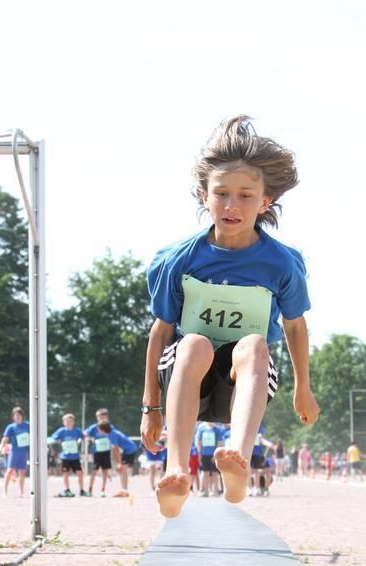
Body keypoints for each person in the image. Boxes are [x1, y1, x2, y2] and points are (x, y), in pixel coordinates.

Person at [137, 116, 319, 518]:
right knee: (193, 343)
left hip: (243, 384)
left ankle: (238, 454)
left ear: (264, 201)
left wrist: (302, 387)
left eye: (244, 196)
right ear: (205, 196)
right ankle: (178, 473)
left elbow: (294, 325)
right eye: (221, 194)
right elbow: (160, 331)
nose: (232, 206)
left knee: (254, 344)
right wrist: (150, 408)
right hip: (188, 378)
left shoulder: (282, 263)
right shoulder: (177, 260)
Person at [51, 413, 86, 497]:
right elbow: (53, 438)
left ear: (73, 422)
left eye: (70, 421)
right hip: (65, 456)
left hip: (75, 456)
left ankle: (81, 490)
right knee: (66, 473)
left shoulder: (77, 430)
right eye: (67, 421)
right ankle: (67, 490)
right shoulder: (61, 431)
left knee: (80, 473)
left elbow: (82, 436)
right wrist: (60, 442)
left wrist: (80, 440)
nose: (69, 423)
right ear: (64, 422)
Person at [84, 408, 115, 497]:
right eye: (98, 417)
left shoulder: (110, 427)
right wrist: (90, 439)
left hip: (106, 452)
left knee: (105, 471)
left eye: (102, 417)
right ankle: (90, 490)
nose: (100, 418)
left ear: (106, 417)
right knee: (94, 471)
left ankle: (103, 490)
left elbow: (114, 436)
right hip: (97, 452)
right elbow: (85, 434)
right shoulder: (94, 427)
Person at [0, 406, 30, 498]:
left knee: (22, 472)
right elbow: (5, 438)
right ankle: (4, 491)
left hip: (24, 451)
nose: (17, 417)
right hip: (14, 451)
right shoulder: (11, 427)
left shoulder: (28, 425)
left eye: (19, 415)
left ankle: (21, 491)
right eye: (16, 415)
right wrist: (1, 447)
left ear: (22, 416)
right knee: (9, 470)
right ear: (13, 417)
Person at [111, 426, 140, 498]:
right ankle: (124, 490)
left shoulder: (112, 434)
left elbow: (115, 450)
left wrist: (118, 463)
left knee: (123, 470)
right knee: (122, 470)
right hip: (127, 450)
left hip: (130, 450)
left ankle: (125, 491)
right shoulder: (112, 431)